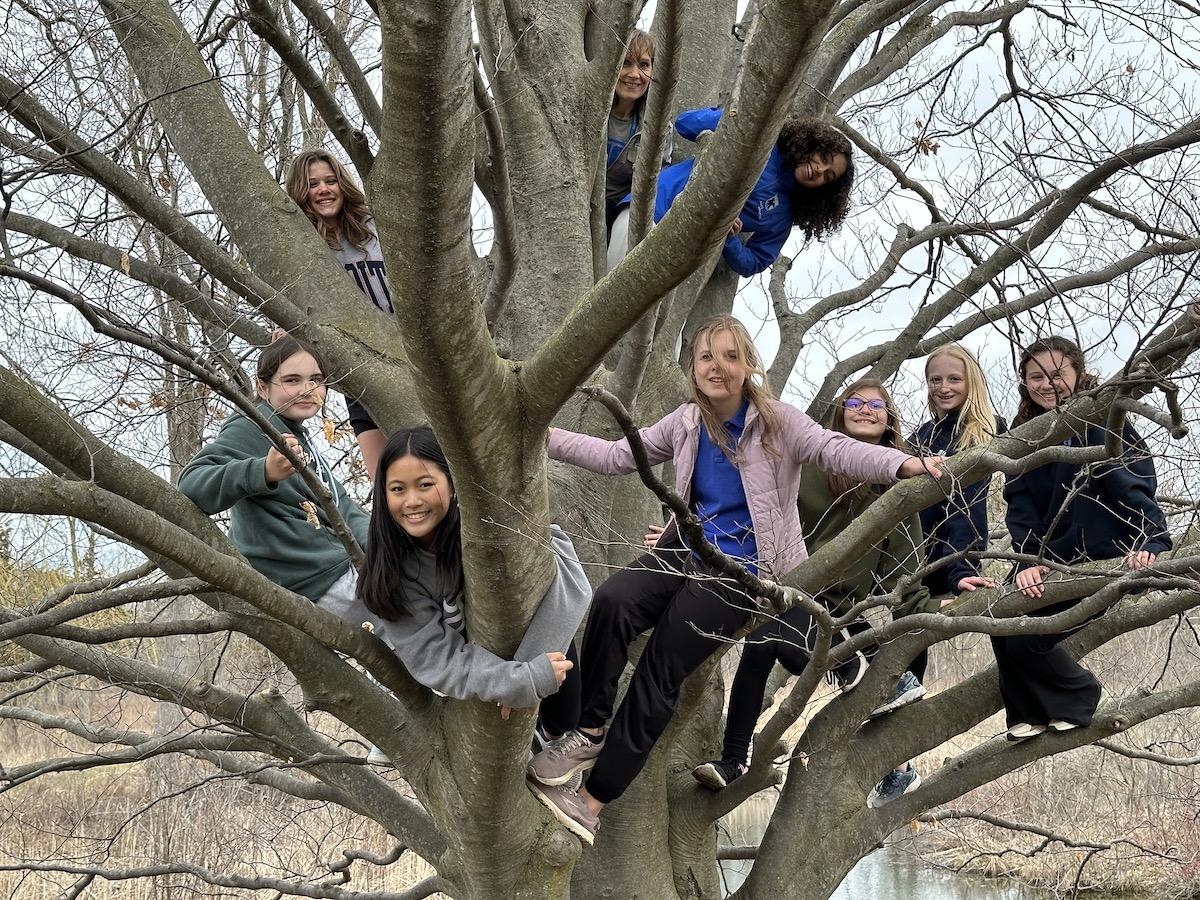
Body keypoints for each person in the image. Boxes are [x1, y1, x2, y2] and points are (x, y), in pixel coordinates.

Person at [525, 315, 943, 845]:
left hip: (747, 572)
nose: (717, 367)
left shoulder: (780, 423)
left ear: (748, 366)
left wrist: (903, 465)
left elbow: (838, 451)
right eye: (706, 357)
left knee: (659, 669)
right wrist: (543, 434)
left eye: (729, 356)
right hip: (684, 549)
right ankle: (588, 730)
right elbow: (614, 457)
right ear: (692, 368)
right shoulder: (684, 423)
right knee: (610, 601)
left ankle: (591, 801)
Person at [684, 378, 940, 806]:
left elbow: (906, 573)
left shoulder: (899, 484)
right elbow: (752, 504)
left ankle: (882, 733)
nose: (864, 409)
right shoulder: (808, 463)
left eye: (876, 405)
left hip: (842, 612)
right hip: (791, 587)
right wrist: (684, 537)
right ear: (839, 412)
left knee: (769, 641)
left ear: (889, 418)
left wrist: (934, 610)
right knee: (762, 643)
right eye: (854, 402)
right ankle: (733, 761)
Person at [356, 427, 591, 730]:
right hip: (480, 686)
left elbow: (572, 580)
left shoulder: (490, 522)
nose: (412, 501)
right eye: (398, 489)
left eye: (425, 484)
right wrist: (515, 681)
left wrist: (527, 674)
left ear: (452, 484)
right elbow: (437, 658)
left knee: (564, 721)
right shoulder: (392, 574)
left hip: (543, 640)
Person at [995, 336, 1170, 740]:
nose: (1046, 384)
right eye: (1035, 376)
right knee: (999, 618)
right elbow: (1020, 507)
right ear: (1024, 382)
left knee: (1027, 642)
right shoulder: (1025, 437)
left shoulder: (1102, 421)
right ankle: (1026, 715)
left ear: (1077, 373)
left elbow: (1132, 483)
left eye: (1057, 374)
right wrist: (1026, 560)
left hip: (1097, 555)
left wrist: (1152, 540)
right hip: (1047, 558)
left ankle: (1081, 696)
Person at [179, 337, 384, 634]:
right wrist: (263, 470)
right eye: (291, 380)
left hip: (339, 570)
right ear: (263, 387)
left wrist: (388, 547)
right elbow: (191, 484)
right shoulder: (253, 426)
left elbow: (344, 510)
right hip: (313, 578)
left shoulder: (300, 438)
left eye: (316, 380)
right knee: (416, 618)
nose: (307, 390)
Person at [608, 109, 854, 278]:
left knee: (652, 338)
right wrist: (736, 120)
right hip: (650, 209)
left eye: (828, 176)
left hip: (684, 253)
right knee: (614, 295)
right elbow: (684, 123)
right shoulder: (763, 136)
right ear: (812, 144)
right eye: (823, 158)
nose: (820, 170)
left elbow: (755, 261)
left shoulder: (783, 215)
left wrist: (729, 237)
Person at [285, 149, 392, 478]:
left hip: (409, 354)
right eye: (312, 184)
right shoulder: (303, 246)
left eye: (331, 181)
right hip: (360, 367)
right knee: (385, 481)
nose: (323, 189)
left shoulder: (377, 227)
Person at [911, 344, 1006, 602]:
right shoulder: (920, 436)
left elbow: (967, 506)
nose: (944, 387)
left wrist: (962, 567)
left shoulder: (985, 430)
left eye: (954, 379)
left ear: (971, 382)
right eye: (935, 380)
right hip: (913, 566)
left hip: (953, 563)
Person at [604, 29, 673, 237]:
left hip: (618, 222)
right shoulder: (590, 111)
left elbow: (657, 184)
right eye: (626, 63)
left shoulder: (658, 128)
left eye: (643, 65)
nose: (634, 74)